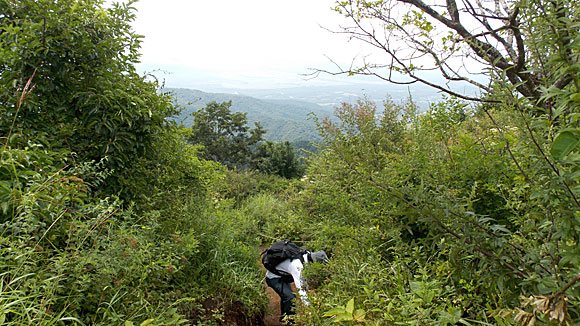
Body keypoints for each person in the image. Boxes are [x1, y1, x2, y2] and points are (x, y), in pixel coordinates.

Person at [265, 249, 328, 324]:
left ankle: (284, 317)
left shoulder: (306, 255)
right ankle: (289, 321)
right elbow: (301, 289)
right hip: (273, 278)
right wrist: (309, 307)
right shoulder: (297, 266)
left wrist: (308, 290)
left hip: (282, 275)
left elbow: (304, 281)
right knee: (290, 297)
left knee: (287, 296)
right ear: (313, 262)